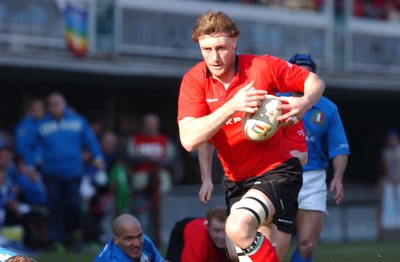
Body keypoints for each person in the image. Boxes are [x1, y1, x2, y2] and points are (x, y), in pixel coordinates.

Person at [177, 10, 325, 261]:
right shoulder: (194, 81)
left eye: (222, 48)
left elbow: (314, 81)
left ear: (234, 42)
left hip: (278, 172)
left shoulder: (261, 66)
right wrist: (232, 106)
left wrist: (304, 103)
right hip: (237, 181)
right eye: (207, 49)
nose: (214, 57)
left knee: (237, 227)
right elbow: (191, 139)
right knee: (237, 254)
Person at [279, 53, 350, 262]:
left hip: (313, 178)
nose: (303, 77)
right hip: (279, 175)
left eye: (308, 73)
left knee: (307, 245)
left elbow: (339, 149)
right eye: (298, 72)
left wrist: (337, 177)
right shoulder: (274, 100)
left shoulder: (328, 109)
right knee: (274, 245)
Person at [28, 92, 105, 251]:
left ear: (64, 104)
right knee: (54, 207)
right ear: (48, 107)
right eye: (51, 104)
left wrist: (98, 160)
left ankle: (73, 236)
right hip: (50, 173)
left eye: (57, 103)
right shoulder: (42, 125)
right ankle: (56, 240)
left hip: (73, 172)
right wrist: (31, 166)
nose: (54, 106)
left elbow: (91, 143)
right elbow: (33, 147)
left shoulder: (78, 121)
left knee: (74, 206)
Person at [126, 113, 178, 245]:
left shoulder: (164, 140)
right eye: (148, 124)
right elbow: (130, 156)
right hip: (141, 181)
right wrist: (147, 159)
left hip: (160, 181)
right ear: (143, 125)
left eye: (152, 124)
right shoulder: (135, 139)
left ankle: (160, 237)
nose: (150, 127)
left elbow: (171, 158)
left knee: (161, 214)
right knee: (141, 213)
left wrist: (159, 162)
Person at [93, 213, 164, 262]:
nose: (137, 244)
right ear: (115, 240)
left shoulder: (145, 240)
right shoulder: (113, 260)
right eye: (129, 238)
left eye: (139, 236)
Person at [13, 98, 45, 167]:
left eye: (39, 108)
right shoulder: (23, 125)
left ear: (44, 110)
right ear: (31, 109)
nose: (37, 110)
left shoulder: (49, 123)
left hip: (48, 163)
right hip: (28, 164)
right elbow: (20, 147)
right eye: (34, 108)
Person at [379, 128, 400, 229]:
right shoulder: (386, 152)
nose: (392, 141)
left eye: (393, 138)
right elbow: (384, 169)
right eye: (390, 139)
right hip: (390, 182)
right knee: (389, 206)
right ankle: (390, 228)